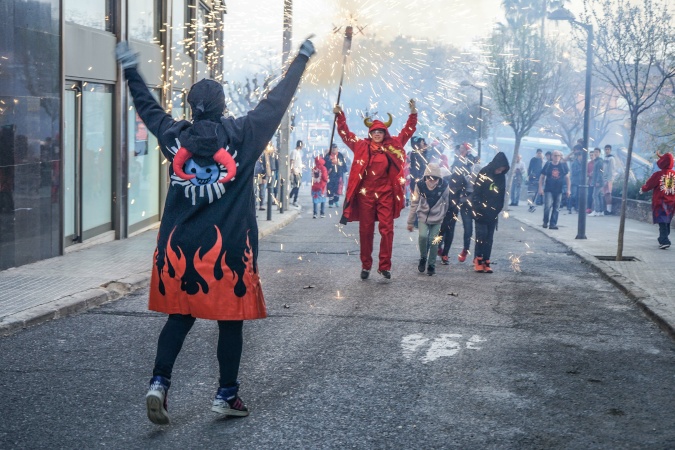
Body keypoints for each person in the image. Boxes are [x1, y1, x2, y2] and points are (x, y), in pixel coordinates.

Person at [116, 38, 315, 425]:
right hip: (227, 250)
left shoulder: (174, 137)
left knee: (179, 316)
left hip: (178, 250)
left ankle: (159, 383)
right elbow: (278, 100)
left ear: (192, 107)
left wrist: (129, 69)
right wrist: (302, 58)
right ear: (224, 106)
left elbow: (146, 105)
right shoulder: (245, 134)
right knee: (230, 323)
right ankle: (227, 394)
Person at [334, 99, 417, 280]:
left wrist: (413, 114)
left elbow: (407, 132)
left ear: (384, 132)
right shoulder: (361, 145)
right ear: (370, 133)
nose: (377, 134)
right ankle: (366, 265)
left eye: (380, 131)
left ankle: (384, 266)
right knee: (365, 230)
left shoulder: (393, 144)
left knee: (387, 229)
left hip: (386, 194)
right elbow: (345, 134)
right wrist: (340, 116)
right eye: (374, 131)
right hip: (366, 195)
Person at [407, 163, 450, 276]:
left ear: (438, 178)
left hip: (437, 218)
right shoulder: (420, 185)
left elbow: (447, 202)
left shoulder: (444, 186)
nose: (432, 181)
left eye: (434, 178)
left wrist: (443, 216)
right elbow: (414, 203)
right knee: (423, 236)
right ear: (426, 176)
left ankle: (431, 264)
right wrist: (410, 222)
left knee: (434, 240)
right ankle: (423, 257)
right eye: (429, 177)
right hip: (423, 216)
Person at [471, 152, 510, 273]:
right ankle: (478, 259)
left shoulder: (501, 176)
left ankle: (486, 260)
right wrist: (478, 208)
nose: (499, 172)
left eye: (502, 170)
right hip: (480, 211)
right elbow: (476, 192)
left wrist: (498, 209)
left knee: (489, 238)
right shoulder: (484, 172)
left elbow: (501, 194)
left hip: (493, 213)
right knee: (481, 235)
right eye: (499, 169)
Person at [639, 151, 675, 249]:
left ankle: (664, 240)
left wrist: (643, 189)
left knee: (662, 221)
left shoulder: (658, 175)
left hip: (660, 202)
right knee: (666, 220)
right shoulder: (673, 174)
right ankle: (664, 237)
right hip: (671, 203)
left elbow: (649, 184)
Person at [451, 143, 480, 263]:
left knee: (479, 230)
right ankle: (466, 249)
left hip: (477, 203)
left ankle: (478, 255)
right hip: (465, 201)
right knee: (467, 229)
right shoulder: (458, 163)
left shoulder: (473, 162)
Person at [438, 162, 467, 265]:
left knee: (448, 230)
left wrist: (460, 200)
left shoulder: (462, 180)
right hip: (446, 208)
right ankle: (439, 249)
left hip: (453, 209)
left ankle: (444, 252)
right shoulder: (447, 179)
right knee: (444, 229)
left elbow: (465, 192)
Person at [538, 150, 570, 230]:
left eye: (558, 155)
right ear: (552, 156)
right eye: (555, 155)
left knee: (556, 208)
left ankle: (553, 224)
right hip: (549, 189)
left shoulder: (563, 166)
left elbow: (567, 178)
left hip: (559, 189)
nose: (556, 157)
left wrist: (568, 189)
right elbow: (542, 177)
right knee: (547, 206)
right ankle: (545, 221)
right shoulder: (548, 165)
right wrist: (540, 188)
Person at [324, 143, 348, 208]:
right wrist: (330, 165)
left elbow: (344, 164)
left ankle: (336, 200)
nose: (334, 150)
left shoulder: (340, 155)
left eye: (335, 148)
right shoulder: (327, 156)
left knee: (338, 187)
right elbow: (324, 164)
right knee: (330, 187)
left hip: (339, 174)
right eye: (333, 148)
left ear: (337, 149)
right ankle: (331, 202)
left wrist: (345, 171)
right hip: (331, 174)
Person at [590, 148, 605, 216]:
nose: (595, 153)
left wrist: (598, 181)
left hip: (598, 181)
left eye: (597, 152)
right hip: (598, 180)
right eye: (594, 152)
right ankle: (601, 211)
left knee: (595, 195)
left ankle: (596, 210)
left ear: (599, 153)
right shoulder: (597, 161)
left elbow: (600, 172)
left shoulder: (599, 161)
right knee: (599, 196)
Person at [602, 144, 617, 215]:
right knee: (605, 194)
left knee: (608, 193)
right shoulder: (605, 158)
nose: (607, 151)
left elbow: (611, 170)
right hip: (604, 178)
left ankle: (609, 209)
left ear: (610, 150)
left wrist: (609, 180)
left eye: (608, 149)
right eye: (606, 149)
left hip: (609, 179)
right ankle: (607, 208)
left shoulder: (611, 158)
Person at [289, 140, 304, 207]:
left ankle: (291, 197)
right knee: (297, 186)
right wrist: (292, 170)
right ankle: (293, 199)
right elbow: (291, 161)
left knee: (297, 186)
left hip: (299, 171)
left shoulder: (298, 152)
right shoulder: (294, 152)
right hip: (296, 172)